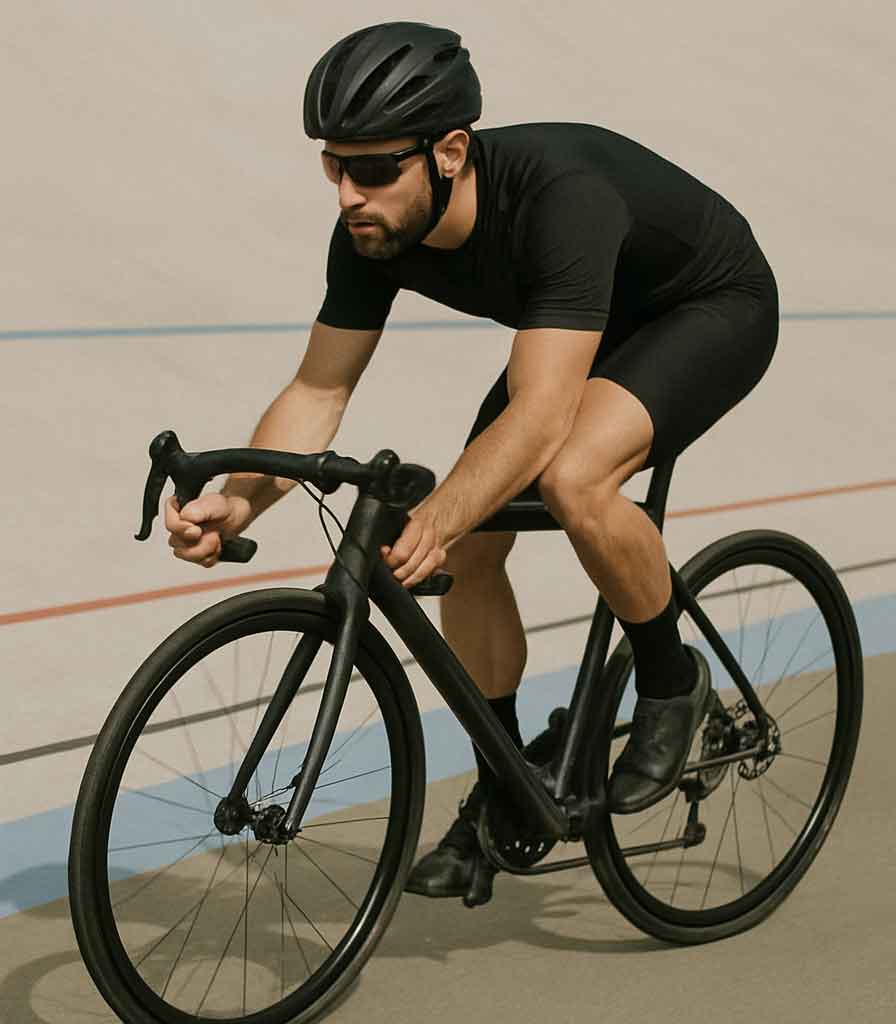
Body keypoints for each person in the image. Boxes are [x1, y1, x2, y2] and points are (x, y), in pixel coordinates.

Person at [165, 21, 779, 908]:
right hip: (582, 326)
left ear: (450, 151)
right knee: (469, 551)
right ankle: (506, 788)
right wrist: (239, 502)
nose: (349, 193)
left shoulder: (561, 197)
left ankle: (672, 684)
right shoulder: (374, 230)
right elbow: (317, 389)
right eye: (335, 166)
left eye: (374, 169)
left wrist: (442, 514)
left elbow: (540, 415)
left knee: (574, 478)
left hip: (706, 307)